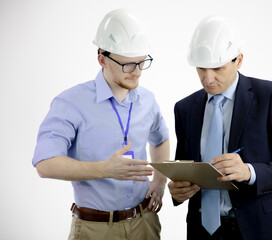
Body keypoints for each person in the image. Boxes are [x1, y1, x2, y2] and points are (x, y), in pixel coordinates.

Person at [32, 9, 169, 240]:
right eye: (127, 65)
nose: (136, 72)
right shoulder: (70, 102)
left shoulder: (148, 100)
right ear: (102, 59)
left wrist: (159, 180)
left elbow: (161, 138)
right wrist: (104, 169)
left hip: (145, 223)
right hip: (95, 228)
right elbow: (45, 164)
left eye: (141, 62)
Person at [168, 15, 272, 240]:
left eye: (217, 69)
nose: (207, 78)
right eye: (201, 68)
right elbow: (185, 168)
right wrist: (178, 191)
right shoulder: (185, 108)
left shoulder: (271, 96)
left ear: (239, 60)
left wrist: (249, 172)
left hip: (261, 229)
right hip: (202, 232)